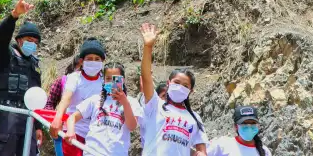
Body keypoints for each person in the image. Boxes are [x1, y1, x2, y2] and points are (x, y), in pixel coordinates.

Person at [139, 23, 207, 156]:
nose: (180, 87)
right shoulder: (155, 105)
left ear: (191, 91)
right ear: (168, 83)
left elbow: (201, 150)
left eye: (185, 86)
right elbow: (146, 76)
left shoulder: (195, 119)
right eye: (177, 82)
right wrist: (148, 47)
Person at [0, 0, 43, 156]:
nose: (32, 44)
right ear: (19, 40)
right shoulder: (5, 56)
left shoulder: (34, 65)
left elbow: (37, 95)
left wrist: (38, 126)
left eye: (35, 42)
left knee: (30, 152)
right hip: (7, 114)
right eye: (28, 40)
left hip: (28, 117)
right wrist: (14, 16)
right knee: (3, 151)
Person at [64, 62, 140, 156]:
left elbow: (132, 126)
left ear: (123, 80)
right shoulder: (95, 99)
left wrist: (124, 102)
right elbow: (72, 117)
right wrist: (70, 130)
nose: (111, 83)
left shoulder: (132, 102)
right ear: (103, 80)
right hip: (92, 153)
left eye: (115, 79)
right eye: (108, 79)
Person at [50, 39, 107, 156]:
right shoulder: (74, 77)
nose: (93, 62)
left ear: (102, 62)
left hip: (96, 135)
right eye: (89, 59)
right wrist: (57, 118)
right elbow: (66, 98)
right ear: (81, 61)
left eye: (97, 59)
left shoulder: (105, 81)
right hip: (74, 131)